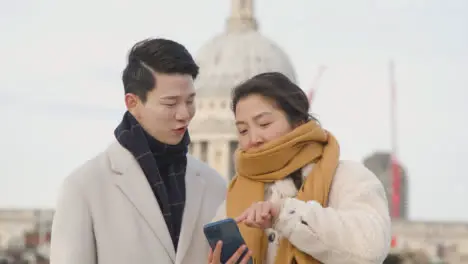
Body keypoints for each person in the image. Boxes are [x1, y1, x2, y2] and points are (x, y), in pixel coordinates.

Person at [50, 38, 227, 264]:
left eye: (190, 100)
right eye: (171, 103)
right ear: (132, 103)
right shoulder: (83, 188)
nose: (185, 114)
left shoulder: (215, 185)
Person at [208, 72, 391, 264]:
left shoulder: (347, 177)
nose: (253, 139)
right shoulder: (233, 198)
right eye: (243, 130)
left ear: (298, 123)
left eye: (264, 123)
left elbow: (370, 247)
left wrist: (284, 214)